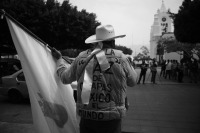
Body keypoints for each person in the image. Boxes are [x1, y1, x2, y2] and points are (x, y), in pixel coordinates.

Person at [52, 24, 137, 133]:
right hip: (111, 120)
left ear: (96, 41)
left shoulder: (81, 57)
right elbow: (133, 81)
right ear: (113, 42)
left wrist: (59, 59)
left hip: (87, 118)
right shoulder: (121, 57)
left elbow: (64, 78)